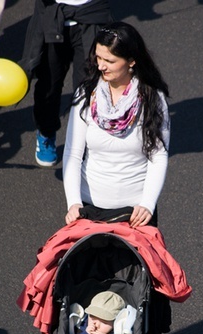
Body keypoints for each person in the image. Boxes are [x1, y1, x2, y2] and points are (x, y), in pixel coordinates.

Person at [63, 21, 170, 229]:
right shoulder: (86, 95)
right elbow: (73, 153)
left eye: (109, 61)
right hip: (88, 210)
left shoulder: (153, 99)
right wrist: (73, 203)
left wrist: (147, 204)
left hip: (135, 214)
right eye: (98, 57)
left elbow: (158, 155)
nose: (101, 66)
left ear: (131, 61)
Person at [19, 0, 112, 168]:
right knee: (49, 84)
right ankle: (46, 132)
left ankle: (85, 141)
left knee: (89, 88)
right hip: (51, 14)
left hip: (90, 15)